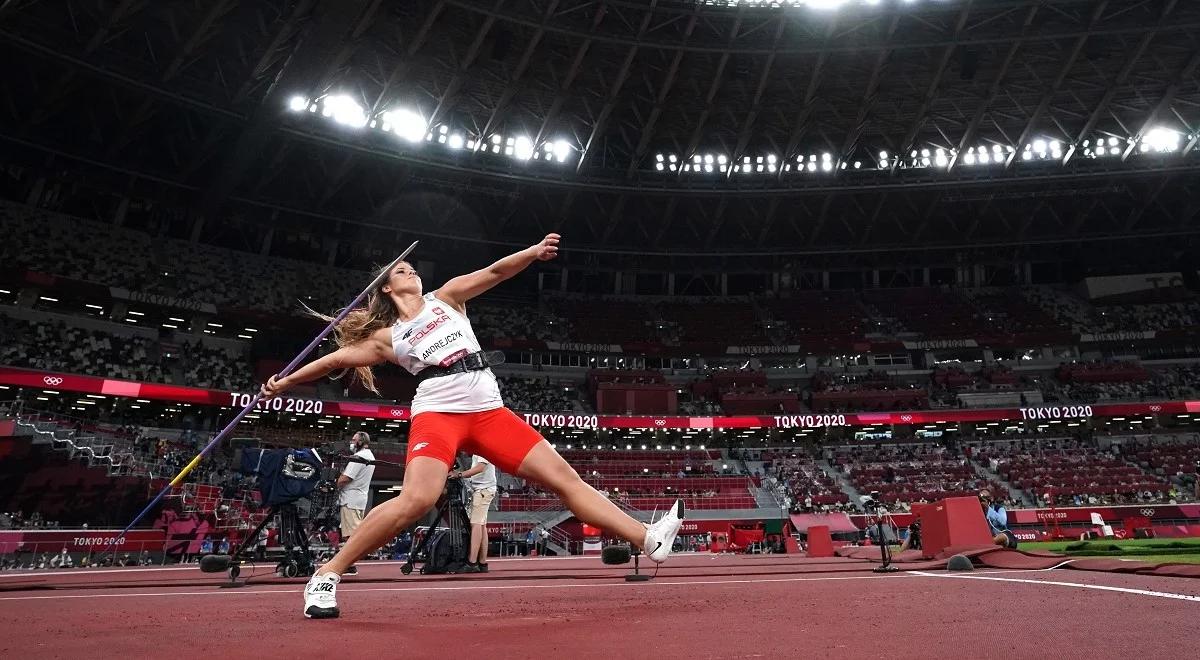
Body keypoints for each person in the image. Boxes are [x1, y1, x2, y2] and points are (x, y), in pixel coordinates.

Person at [262, 233, 684, 619]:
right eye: (399, 270)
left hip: (488, 410)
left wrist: (533, 253)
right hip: (438, 413)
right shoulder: (388, 338)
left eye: (412, 267)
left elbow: (496, 271)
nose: (410, 270)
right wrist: (284, 381)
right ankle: (326, 574)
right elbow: (335, 360)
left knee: (564, 478)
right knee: (417, 499)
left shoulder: (447, 297)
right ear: (387, 289)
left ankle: (648, 539)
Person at [336, 431, 376, 576]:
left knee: (350, 534)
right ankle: (348, 563)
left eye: (354, 440)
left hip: (350, 498)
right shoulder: (370, 456)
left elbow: (346, 478)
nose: (351, 443)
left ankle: (348, 564)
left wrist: (334, 482)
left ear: (361, 442)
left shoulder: (358, 458)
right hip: (359, 497)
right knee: (352, 532)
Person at [450, 453, 496, 573]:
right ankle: (482, 562)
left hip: (483, 490)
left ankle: (472, 562)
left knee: (475, 524)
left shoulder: (481, 449)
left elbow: (481, 468)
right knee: (481, 526)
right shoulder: (481, 449)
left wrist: (459, 474)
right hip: (484, 489)